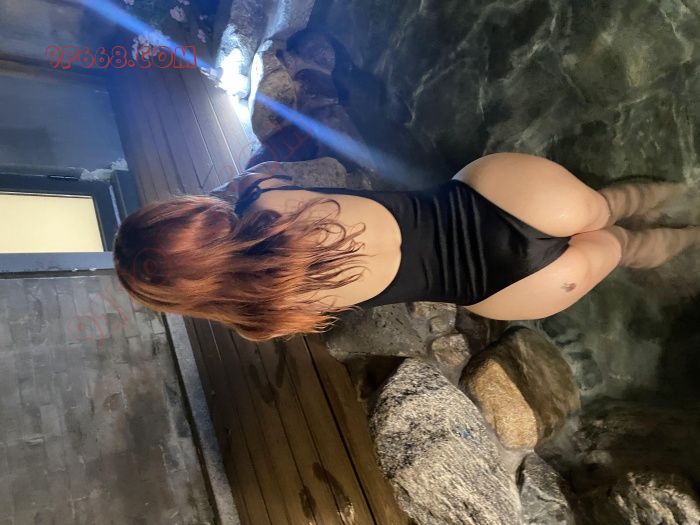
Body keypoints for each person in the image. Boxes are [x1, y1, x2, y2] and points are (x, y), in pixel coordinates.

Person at [112, 152, 699, 341]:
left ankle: (689, 236)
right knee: (608, 206)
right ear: (183, 215)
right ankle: (683, 189)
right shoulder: (261, 190)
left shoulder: (264, 316)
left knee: (623, 248)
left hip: (508, 287)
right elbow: (328, 170)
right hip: (486, 202)